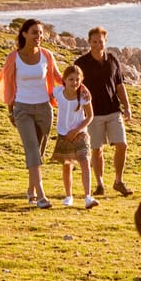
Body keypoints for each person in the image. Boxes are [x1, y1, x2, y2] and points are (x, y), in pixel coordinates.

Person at [0, 18, 61, 209]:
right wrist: (10, 111)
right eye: (34, 32)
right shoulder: (13, 57)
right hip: (22, 108)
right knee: (31, 150)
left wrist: (79, 86)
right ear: (24, 34)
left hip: (45, 109)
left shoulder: (47, 55)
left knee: (38, 153)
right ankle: (41, 196)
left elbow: (58, 78)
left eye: (40, 33)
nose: (39, 36)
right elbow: (8, 86)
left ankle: (31, 190)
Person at [74, 27, 133, 197]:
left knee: (122, 145)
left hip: (114, 110)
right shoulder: (81, 64)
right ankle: (99, 184)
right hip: (93, 113)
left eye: (101, 41)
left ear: (105, 41)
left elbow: (120, 85)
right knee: (97, 149)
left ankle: (118, 181)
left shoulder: (113, 59)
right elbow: (75, 87)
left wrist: (127, 106)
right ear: (89, 42)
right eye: (94, 41)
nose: (98, 44)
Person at [50, 65, 99, 209]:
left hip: (80, 133)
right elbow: (49, 96)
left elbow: (90, 116)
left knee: (84, 161)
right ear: (64, 80)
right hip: (63, 134)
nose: (74, 82)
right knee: (67, 166)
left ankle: (88, 197)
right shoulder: (58, 92)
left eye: (78, 80)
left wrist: (77, 130)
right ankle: (68, 196)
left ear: (82, 80)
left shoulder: (83, 97)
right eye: (71, 79)